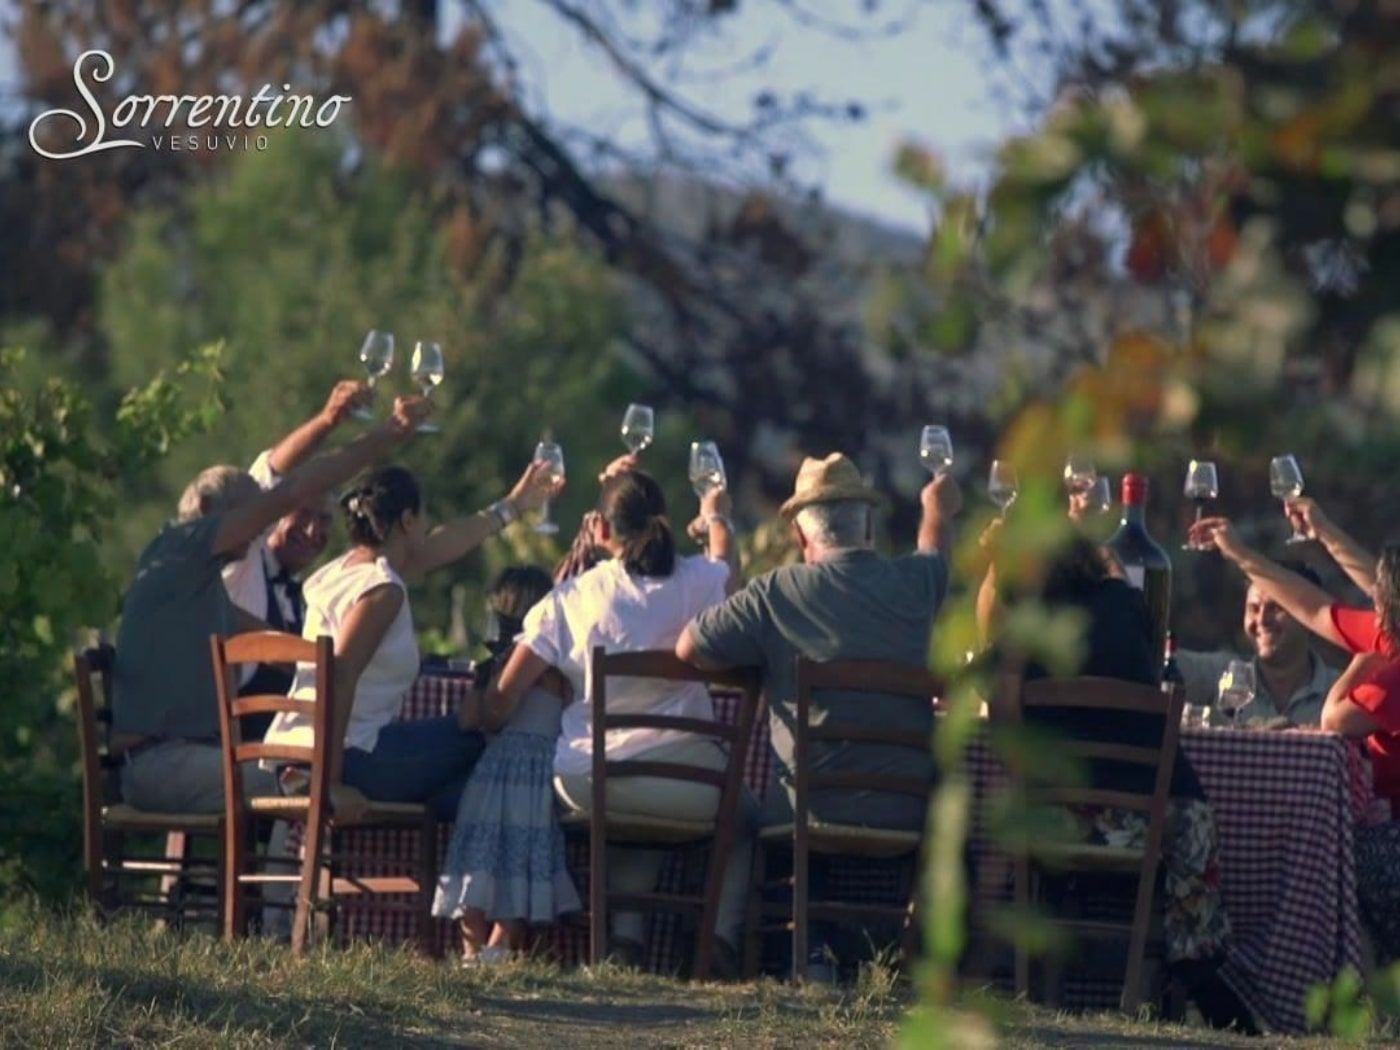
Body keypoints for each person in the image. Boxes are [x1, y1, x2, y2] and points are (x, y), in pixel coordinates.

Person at [675, 452, 958, 978]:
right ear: (867, 528)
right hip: (905, 811)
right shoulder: (918, 583)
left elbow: (688, 648)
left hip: (808, 808)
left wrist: (759, 667)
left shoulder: (775, 593)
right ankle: (895, 958)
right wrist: (936, 507)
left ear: (800, 536)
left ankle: (804, 953)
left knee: (765, 804)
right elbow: (936, 548)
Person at [111, 392, 430, 814]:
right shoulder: (182, 549)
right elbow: (293, 487)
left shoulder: (198, 587)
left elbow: (276, 646)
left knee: (301, 769)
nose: (260, 532)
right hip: (159, 766)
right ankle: (306, 853)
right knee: (308, 776)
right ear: (206, 509)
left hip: (179, 758)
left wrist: (346, 662)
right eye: (252, 518)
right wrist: (388, 434)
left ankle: (292, 857)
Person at [482, 456, 743, 965]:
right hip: (692, 787)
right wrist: (717, 516)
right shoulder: (700, 581)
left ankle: (624, 939)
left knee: (615, 791)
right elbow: (728, 568)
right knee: (745, 817)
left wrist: (482, 713)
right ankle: (720, 939)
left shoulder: (573, 598)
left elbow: (502, 700)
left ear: (601, 529)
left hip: (591, 781)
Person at [990, 536, 1250, 1032]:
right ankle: (1194, 959)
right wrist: (1103, 553)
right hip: (1145, 825)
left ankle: (1023, 966)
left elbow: (977, 692)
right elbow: (1127, 602)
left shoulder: (1026, 630)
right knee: (1190, 821)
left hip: (1058, 825)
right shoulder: (1126, 605)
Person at [263, 460, 554, 823]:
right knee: (486, 744)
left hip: (294, 750)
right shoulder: (381, 590)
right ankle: (464, 852)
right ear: (407, 520)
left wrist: (512, 506)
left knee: (458, 739)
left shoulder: (340, 572)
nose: (428, 526)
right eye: (423, 516)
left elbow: (444, 545)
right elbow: (340, 677)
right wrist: (330, 784)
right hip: (342, 759)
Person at [1191, 513, 1400, 964]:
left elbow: (1333, 720)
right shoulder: (1391, 638)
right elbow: (1313, 606)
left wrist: (1359, 664)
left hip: (1393, 844)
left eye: (1379, 599)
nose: (1373, 605)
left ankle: (1280, 972)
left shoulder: (1390, 666)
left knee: (1322, 858)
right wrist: (1249, 551)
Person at [435, 566, 580, 964]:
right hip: (534, 774)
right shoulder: (559, 667)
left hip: (498, 770)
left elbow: (479, 720)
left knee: (480, 855)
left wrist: (485, 679)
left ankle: (476, 949)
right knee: (521, 859)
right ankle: (495, 948)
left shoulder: (516, 665)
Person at [223, 381, 363, 718]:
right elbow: (268, 473)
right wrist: (328, 420)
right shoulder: (242, 562)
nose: (313, 531)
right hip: (240, 738)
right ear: (275, 514)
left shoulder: (310, 592)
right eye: (302, 514)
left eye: (324, 520)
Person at [1173, 562, 1339, 727]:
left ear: (1310, 618)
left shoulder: (1339, 693)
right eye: (1254, 608)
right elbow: (1163, 661)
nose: (1262, 619)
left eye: (1275, 608)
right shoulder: (1222, 674)